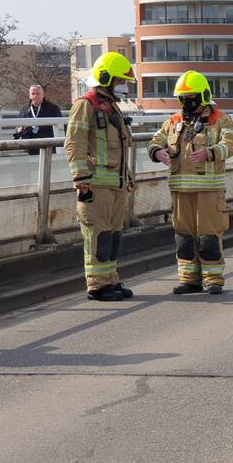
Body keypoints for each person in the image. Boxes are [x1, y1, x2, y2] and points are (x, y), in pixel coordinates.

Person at [147, 71, 233, 296]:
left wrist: (210, 153)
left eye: (191, 99)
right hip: (180, 192)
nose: (186, 103)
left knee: (209, 236)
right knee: (184, 237)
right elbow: (155, 140)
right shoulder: (173, 121)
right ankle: (189, 280)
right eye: (183, 99)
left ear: (203, 96)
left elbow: (232, 143)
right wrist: (157, 152)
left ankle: (213, 279)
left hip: (209, 191)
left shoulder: (221, 119)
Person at [64, 51, 136, 303]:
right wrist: (81, 178)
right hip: (95, 184)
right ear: (105, 78)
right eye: (118, 81)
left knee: (113, 236)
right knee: (98, 235)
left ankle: (110, 280)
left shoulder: (111, 107)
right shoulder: (86, 104)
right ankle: (97, 285)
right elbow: (74, 142)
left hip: (115, 184)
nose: (122, 86)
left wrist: (126, 179)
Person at [14, 84, 63, 155]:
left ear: (43, 95)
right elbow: (18, 126)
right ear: (29, 95)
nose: (35, 96)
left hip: (49, 145)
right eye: (33, 94)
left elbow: (61, 126)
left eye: (38, 94)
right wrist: (19, 129)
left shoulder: (53, 108)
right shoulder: (24, 109)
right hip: (30, 146)